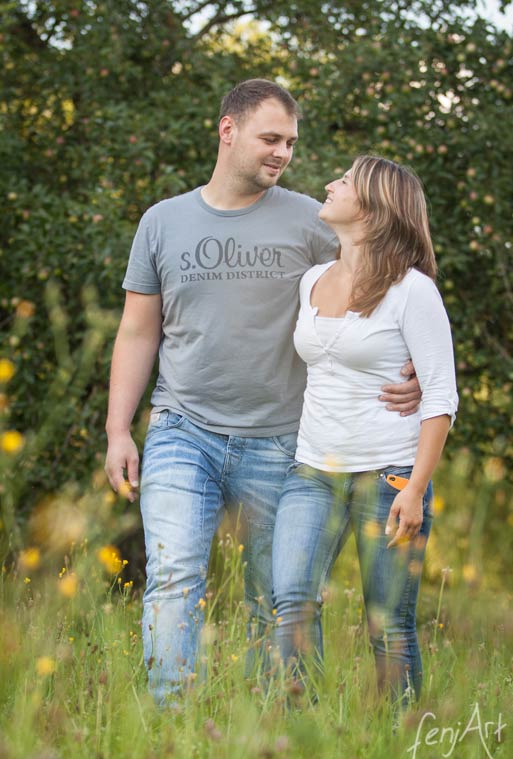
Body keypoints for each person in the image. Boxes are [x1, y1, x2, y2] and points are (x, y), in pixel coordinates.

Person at [104, 80, 421, 706]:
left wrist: (411, 364)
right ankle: (170, 721)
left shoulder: (312, 218)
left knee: (275, 598)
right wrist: (119, 429)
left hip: (283, 441)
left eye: (291, 143)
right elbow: (138, 330)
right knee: (173, 577)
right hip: (181, 427)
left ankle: (276, 726)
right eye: (270, 139)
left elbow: (392, 278)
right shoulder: (162, 222)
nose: (283, 153)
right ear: (228, 130)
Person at [272, 155, 458, 708]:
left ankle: (402, 741)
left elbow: (441, 396)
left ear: (375, 209)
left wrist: (417, 489)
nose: (330, 184)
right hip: (312, 471)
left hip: (389, 477)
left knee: (388, 624)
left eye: (345, 181)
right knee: (293, 603)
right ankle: (296, 733)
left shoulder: (412, 290)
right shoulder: (311, 281)